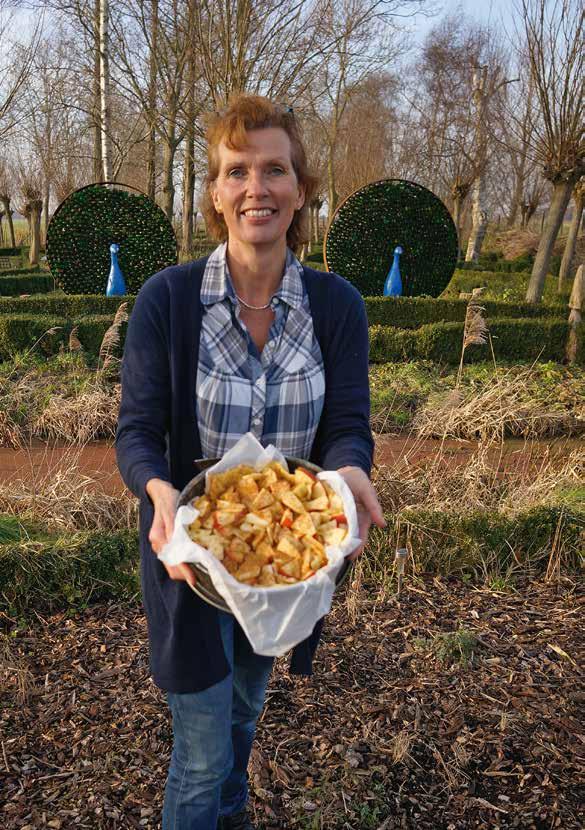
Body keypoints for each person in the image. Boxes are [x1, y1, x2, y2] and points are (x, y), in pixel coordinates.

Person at [115, 95, 385, 830]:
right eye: (236, 171)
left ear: (301, 190)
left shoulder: (337, 307)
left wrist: (351, 470)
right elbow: (136, 433)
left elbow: (346, 428)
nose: (255, 187)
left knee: (242, 720)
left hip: (286, 571)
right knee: (201, 754)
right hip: (194, 563)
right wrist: (161, 491)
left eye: (274, 169)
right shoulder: (167, 301)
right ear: (213, 192)